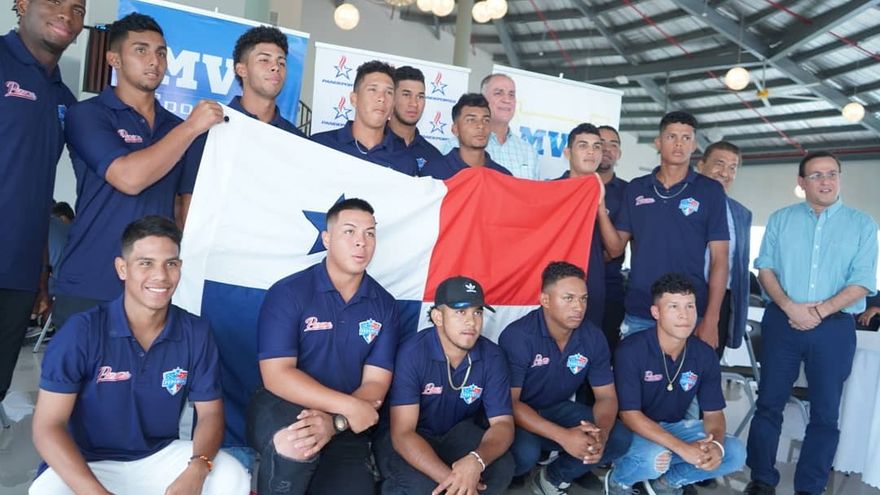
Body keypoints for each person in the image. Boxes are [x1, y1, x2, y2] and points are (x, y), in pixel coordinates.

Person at [29, 215, 250, 494]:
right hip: (87, 462)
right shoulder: (81, 331)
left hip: (158, 456)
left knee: (230, 474)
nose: (161, 276)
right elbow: (48, 426)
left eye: (171, 264)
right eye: (146, 263)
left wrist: (198, 467)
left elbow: (210, 414)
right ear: (122, 268)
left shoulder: (195, 331)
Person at [52, 13, 225, 329]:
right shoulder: (87, 115)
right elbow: (128, 178)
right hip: (91, 280)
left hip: (153, 289)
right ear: (114, 59)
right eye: (141, 50)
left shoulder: (176, 127)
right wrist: (191, 128)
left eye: (161, 53)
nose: (154, 61)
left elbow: (183, 210)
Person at [745, 152, 878, 495]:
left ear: (839, 178)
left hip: (834, 328)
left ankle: (810, 487)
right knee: (769, 403)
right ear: (802, 182)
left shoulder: (862, 224)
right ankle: (762, 479)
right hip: (782, 322)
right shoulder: (781, 219)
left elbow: (863, 281)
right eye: (816, 175)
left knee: (826, 413)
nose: (825, 181)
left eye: (832, 174)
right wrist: (790, 306)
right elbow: (765, 268)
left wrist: (818, 312)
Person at [247, 198, 400, 495]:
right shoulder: (289, 292)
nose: (361, 242)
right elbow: (277, 375)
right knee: (296, 442)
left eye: (369, 233)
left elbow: (375, 384)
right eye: (349, 231)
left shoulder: (385, 305)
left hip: (345, 424)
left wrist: (335, 422)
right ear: (326, 239)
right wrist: (347, 408)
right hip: (283, 406)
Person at [0, 0, 85, 412]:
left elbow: (36, 192)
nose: (66, 14)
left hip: (18, 272)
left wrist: (42, 273)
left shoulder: (64, 98)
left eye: (78, 8)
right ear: (21, 4)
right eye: (54, 1)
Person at [596, 111, 729, 351]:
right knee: (634, 375)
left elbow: (720, 259)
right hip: (640, 309)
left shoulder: (710, 191)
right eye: (671, 137)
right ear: (658, 143)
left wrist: (712, 319)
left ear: (694, 145)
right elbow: (615, 249)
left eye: (686, 138)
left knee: (684, 376)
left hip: (688, 313)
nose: (679, 144)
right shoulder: (636, 188)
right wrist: (599, 206)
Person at [605, 273, 746, 495]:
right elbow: (630, 415)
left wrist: (716, 446)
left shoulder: (704, 354)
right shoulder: (631, 350)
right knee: (654, 457)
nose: (684, 315)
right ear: (656, 312)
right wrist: (683, 449)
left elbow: (713, 414)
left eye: (690, 306)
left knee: (734, 452)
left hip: (675, 428)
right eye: (673, 306)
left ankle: (665, 484)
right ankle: (619, 481)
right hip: (633, 432)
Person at [498, 262, 631, 495]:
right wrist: (564, 437)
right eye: (568, 298)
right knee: (524, 454)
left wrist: (601, 434)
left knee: (618, 437)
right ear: (545, 300)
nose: (578, 307)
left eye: (583, 299)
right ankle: (522, 470)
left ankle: (553, 477)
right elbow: (509, 403)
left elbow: (606, 396)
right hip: (519, 414)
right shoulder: (518, 336)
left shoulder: (592, 336)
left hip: (558, 408)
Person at [376, 276, 515, 495]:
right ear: (438, 317)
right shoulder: (412, 354)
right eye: (460, 312)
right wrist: (452, 481)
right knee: (425, 487)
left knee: (502, 467)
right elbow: (403, 434)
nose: (471, 322)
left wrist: (476, 461)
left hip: (456, 431)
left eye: (477, 312)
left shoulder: (493, 356)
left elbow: (503, 424)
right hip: (411, 435)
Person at [181, 25, 304, 220]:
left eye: (281, 62)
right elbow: (189, 201)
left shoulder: (297, 140)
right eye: (264, 60)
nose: (275, 67)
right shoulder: (209, 127)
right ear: (241, 69)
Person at [696, 141, 752, 360]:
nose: (725, 173)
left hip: (721, 301)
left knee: (707, 366)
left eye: (732, 167)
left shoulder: (741, 214)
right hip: (683, 294)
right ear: (701, 165)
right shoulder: (683, 203)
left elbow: (740, 267)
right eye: (719, 164)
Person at [311, 60, 418, 176]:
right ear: (354, 99)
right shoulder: (320, 145)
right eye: (373, 89)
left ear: (393, 105)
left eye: (389, 92)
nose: (382, 98)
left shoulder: (405, 161)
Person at [442, 73, 539, 179]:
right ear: (483, 99)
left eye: (511, 95)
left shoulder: (529, 152)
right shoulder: (454, 144)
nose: (507, 100)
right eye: (498, 93)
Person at [558, 123, 607, 328]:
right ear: (567, 153)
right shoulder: (550, 190)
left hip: (592, 283)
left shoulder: (609, 193)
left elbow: (615, 249)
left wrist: (600, 204)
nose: (591, 152)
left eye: (597, 146)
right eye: (583, 145)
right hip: (556, 284)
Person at [420, 93, 512, 180]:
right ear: (455, 129)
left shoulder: (503, 176)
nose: (481, 125)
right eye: (471, 120)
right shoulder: (434, 172)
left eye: (486, 120)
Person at [596, 125, 629, 352]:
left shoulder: (630, 192)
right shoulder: (563, 184)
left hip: (609, 286)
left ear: (619, 153)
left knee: (604, 352)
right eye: (601, 143)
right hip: (564, 284)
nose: (607, 149)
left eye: (613, 144)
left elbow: (616, 249)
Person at [388, 65, 443, 172]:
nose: (414, 103)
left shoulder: (433, 156)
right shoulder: (375, 145)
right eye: (406, 95)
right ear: (392, 98)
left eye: (420, 96)